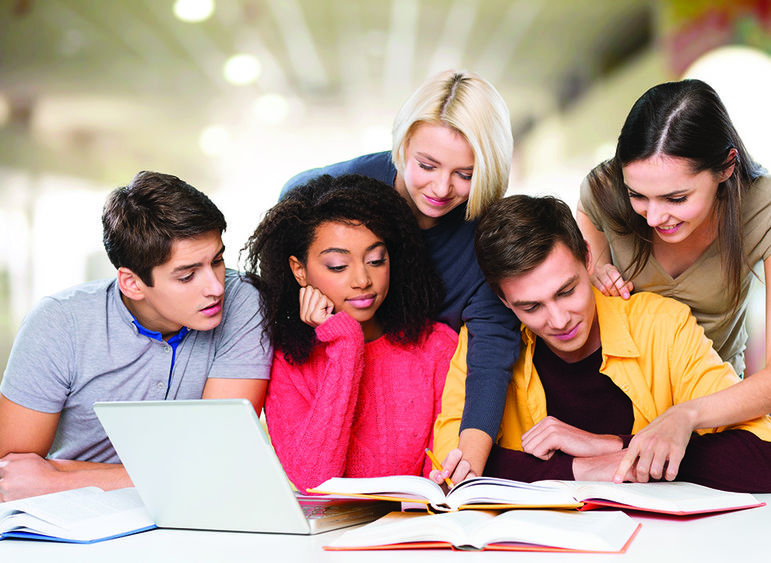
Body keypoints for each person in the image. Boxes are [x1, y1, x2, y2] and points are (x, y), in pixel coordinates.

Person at [432, 195, 771, 492]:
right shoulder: (483, 343)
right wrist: (581, 469)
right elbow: (455, 472)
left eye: (567, 291)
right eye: (531, 307)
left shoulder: (662, 326)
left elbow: (762, 456)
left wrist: (611, 448)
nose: (559, 320)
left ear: (588, 258)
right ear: (503, 301)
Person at [280, 70, 519, 479]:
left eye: (465, 174)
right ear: (404, 143)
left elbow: (492, 349)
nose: (442, 188)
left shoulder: (483, 238)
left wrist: (471, 452)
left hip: (422, 412)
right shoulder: (331, 189)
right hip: (333, 391)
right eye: (427, 165)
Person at [0, 171, 271, 502]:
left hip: (191, 511)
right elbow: (11, 475)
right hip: (72, 518)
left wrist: (60, 478)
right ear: (131, 283)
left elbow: (217, 461)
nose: (216, 288)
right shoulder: (59, 323)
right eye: (187, 276)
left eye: (217, 261)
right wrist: (177, 475)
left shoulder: (243, 301)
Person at [576, 79, 771, 482]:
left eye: (676, 198)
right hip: (617, 408)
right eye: (638, 196)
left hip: (713, 409)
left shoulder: (762, 208)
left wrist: (686, 415)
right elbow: (586, 220)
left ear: (726, 167)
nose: (651, 217)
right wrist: (594, 269)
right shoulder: (604, 190)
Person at [242, 174, 458, 492]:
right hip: (325, 538)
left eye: (375, 260)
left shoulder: (436, 346)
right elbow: (314, 479)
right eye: (338, 266)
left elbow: (438, 482)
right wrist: (346, 342)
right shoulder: (286, 361)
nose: (362, 279)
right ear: (298, 269)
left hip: (418, 532)